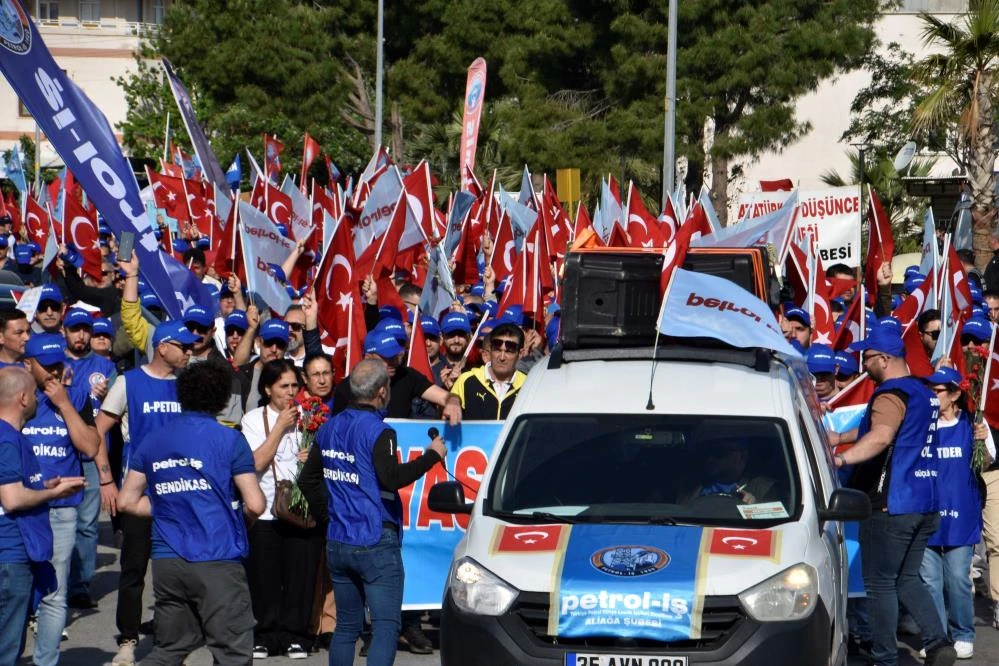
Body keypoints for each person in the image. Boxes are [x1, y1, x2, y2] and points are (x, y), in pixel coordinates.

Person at [116, 360, 265, 666]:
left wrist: (172, 503)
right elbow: (255, 504)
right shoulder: (229, 439)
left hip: (168, 559)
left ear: (180, 395)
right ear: (223, 400)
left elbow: (127, 501)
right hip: (217, 556)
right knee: (234, 653)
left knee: (170, 649)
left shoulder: (153, 440)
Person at [829, 327, 956, 666]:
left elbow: (881, 436)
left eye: (866, 358)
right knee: (907, 578)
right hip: (925, 501)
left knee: (880, 583)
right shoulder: (922, 391)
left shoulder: (889, 393)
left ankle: (885, 658)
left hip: (892, 503)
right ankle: (939, 642)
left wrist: (841, 458)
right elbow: (882, 427)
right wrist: (839, 436)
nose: (862, 365)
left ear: (884, 360)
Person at [316, 359, 447, 666]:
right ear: (382, 392)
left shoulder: (328, 427)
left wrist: (332, 514)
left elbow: (309, 480)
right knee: (386, 626)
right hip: (374, 538)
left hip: (339, 539)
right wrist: (431, 456)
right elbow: (391, 478)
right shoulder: (380, 431)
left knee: (347, 626)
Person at [97, 321, 198, 666]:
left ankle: (173, 644)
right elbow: (97, 433)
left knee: (176, 574)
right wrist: (106, 480)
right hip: (137, 494)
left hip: (180, 494)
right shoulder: (128, 382)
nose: (189, 352)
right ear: (162, 346)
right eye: (183, 346)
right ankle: (127, 641)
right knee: (134, 569)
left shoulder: (189, 385)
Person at [21, 333, 101, 666]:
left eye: (58, 365)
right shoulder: (13, 393)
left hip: (62, 512)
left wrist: (65, 404)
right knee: (14, 591)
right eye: (46, 366)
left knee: (54, 593)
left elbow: (91, 447)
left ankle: (46, 661)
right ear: (28, 364)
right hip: (20, 507)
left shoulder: (77, 396)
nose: (54, 373)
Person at [0, 366, 84, 666]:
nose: (37, 400)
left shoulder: (12, 437)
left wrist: (43, 485)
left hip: (16, 551)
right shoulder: (7, 439)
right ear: (23, 398)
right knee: (7, 648)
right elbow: (11, 499)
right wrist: (53, 494)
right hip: (10, 554)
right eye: (34, 395)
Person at [240, 359, 321, 659]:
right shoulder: (253, 419)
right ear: (267, 388)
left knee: (301, 574)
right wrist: (279, 428)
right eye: (283, 386)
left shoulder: (311, 416)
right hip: (266, 509)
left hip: (302, 509)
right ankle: (264, 634)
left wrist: (312, 457)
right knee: (264, 576)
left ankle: (296, 635)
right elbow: (255, 463)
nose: (290, 393)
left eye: (294, 386)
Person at [918, 368, 984, 660]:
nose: (932, 396)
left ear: (955, 394)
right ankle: (937, 637)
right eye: (929, 390)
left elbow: (988, 461)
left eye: (938, 391)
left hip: (961, 517)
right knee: (930, 581)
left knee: (957, 578)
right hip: (927, 515)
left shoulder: (971, 425)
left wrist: (983, 440)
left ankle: (963, 633)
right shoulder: (920, 425)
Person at [62, 308, 116, 611]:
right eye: (75, 329)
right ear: (65, 332)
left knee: (86, 524)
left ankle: (80, 586)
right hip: (60, 453)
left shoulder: (104, 367)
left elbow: (111, 411)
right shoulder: (54, 361)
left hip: (94, 453)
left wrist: (107, 394)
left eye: (86, 330)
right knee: (58, 521)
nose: (81, 335)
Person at [451, 323, 527, 420]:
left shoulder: (528, 384)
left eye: (508, 351)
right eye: (497, 350)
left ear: (520, 354)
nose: (502, 357)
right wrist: (452, 399)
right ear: (490, 350)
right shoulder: (466, 380)